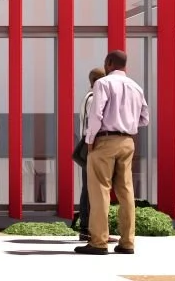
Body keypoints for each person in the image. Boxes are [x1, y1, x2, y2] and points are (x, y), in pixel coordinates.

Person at [78, 50, 149, 257]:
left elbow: (96, 114)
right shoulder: (136, 87)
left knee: (100, 190)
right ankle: (127, 242)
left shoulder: (103, 84)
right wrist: (127, 123)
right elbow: (145, 118)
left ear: (109, 63)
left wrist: (90, 140)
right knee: (126, 191)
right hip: (127, 141)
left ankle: (99, 242)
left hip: (104, 139)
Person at [72, 67, 106, 243]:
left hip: (88, 145)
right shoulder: (94, 99)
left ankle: (88, 228)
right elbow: (93, 125)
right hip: (91, 145)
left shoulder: (88, 97)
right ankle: (87, 229)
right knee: (90, 189)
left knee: (89, 188)